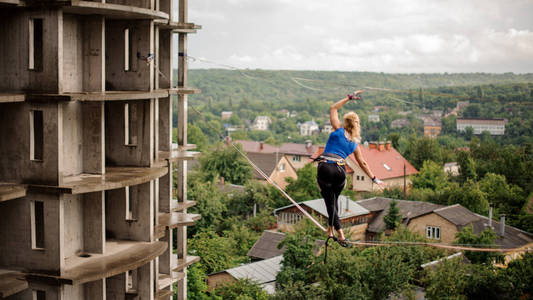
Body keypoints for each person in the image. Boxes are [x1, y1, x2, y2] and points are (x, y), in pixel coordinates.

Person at [316, 90, 384, 247]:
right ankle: (334, 230)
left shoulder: (338, 129)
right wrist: (374, 178)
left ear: (345, 122)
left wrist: (348, 98)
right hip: (340, 172)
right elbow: (362, 163)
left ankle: (337, 232)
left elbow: (333, 108)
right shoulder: (354, 143)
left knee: (330, 202)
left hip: (326, 166)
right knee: (333, 201)